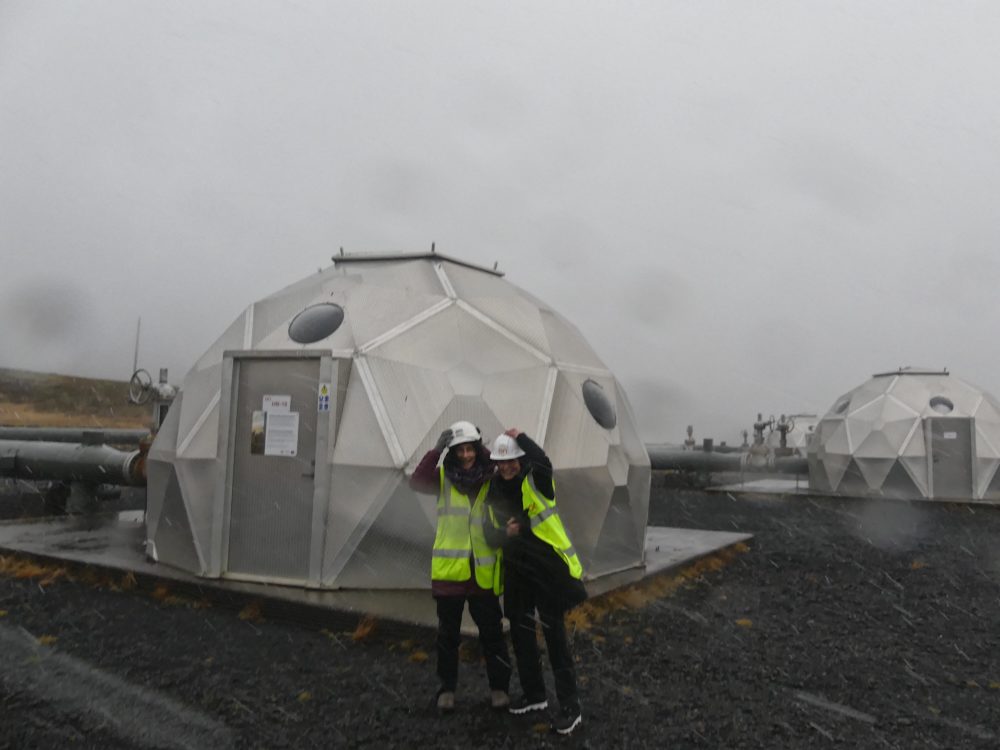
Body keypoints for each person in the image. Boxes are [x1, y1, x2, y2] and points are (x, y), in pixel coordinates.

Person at [483, 428, 588, 736]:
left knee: (554, 634)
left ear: (520, 459)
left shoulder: (536, 481)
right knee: (520, 629)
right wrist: (507, 534)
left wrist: (523, 437)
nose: (506, 467)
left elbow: (543, 462)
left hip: (546, 568)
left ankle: (570, 706)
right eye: (501, 463)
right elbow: (489, 535)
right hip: (516, 570)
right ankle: (535, 695)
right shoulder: (493, 491)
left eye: (512, 461)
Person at [409, 420, 511, 713]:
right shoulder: (442, 478)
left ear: (479, 451)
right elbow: (417, 481)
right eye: (460, 450)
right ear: (452, 453)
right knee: (448, 636)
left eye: (471, 449)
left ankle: (499, 688)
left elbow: (515, 474)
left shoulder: (490, 478)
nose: (466, 456)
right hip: (451, 573)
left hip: (482, 572)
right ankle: (447, 689)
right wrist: (436, 450)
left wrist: (488, 448)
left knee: (492, 634)